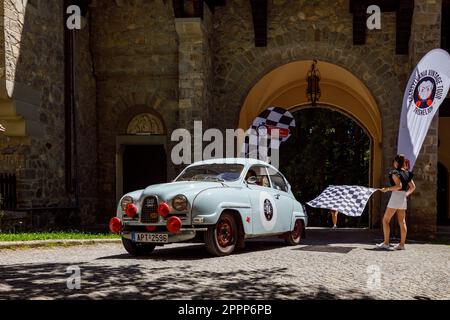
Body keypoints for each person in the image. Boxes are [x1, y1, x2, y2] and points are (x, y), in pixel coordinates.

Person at [377, 154, 416, 250]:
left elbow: (398, 185)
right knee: (402, 221)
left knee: (385, 220)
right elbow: (413, 187)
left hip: (396, 196)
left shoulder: (394, 172)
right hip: (402, 197)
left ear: (396, 162)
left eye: (394, 161)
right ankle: (402, 245)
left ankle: (386, 243)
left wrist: (387, 189)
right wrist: (405, 194)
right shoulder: (407, 173)